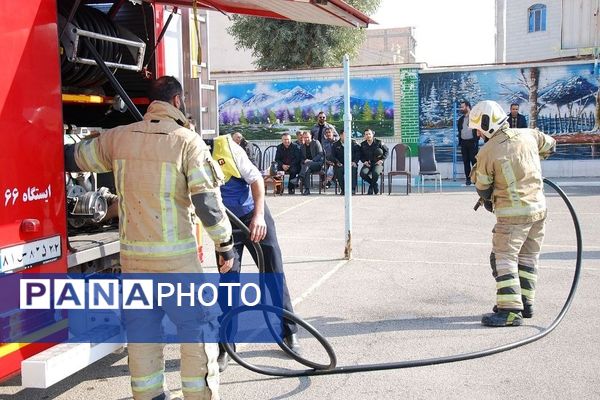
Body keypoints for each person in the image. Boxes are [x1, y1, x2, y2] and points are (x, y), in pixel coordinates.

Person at [64, 76, 234, 400]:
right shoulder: (187, 142)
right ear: (178, 102)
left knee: (143, 337)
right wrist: (225, 247)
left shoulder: (119, 139)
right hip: (177, 265)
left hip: (134, 264)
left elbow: (74, 157)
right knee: (196, 332)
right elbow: (207, 204)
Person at [210, 134, 300, 371]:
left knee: (273, 272)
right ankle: (226, 346)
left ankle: (289, 331)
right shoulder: (187, 158)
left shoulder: (228, 149)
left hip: (253, 215)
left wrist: (259, 216)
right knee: (228, 282)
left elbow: (256, 180)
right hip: (224, 226)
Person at [469, 100, 556, 327]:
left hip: (512, 216)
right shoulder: (529, 135)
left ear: (487, 124)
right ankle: (526, 303)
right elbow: (550, 146)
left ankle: (509, 310)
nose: (478, 133)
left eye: (478, 128)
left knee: (503, 258)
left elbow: (482, 184)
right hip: (538, 210)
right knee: (528, 257)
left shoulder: (488, 150)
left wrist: (488, 198)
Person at [359, 129, 389, 195]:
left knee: (375, 173)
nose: (368, 135)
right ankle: (374, 185)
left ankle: (371, 187)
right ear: (364, 136)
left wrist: (382, 160)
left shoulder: (379, 142)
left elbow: (386, 151)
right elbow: (361, 155)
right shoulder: (363, 144)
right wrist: (364, 161)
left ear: (372, 134)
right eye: (366, 134)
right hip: (368, 164)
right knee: (362, 173)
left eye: (369, 134)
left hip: (377, 163)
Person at [457, 100, 479, 186]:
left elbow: (478, 129)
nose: (461, 108)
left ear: (468, 107)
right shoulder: (461, 119)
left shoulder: (474, 118)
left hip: (472, 142)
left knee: (474, 161)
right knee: (465, 161)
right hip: (463, 143)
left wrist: (476, 139)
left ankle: (475, 179)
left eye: (463, 107)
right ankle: (468, 179)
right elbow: (460, 130)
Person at [332, 130, 360, 195]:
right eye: (345, 135)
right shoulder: (335, 144)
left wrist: (355, 162)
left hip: (351, 163)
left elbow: (358, 154)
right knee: (339, 170)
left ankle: (352, 189)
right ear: (340, 135)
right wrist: (337, 162)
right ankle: (343, 189)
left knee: (353, 169)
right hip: (340, 163)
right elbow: (332, 156)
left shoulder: (354, 143)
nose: (347, 137)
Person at [299, 131, 325, 195]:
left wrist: (311, 161)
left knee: (307, 165)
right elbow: (301, 158)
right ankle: (307, 190)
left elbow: (320, 154)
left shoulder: (316, 142)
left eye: (307, 137)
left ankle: (299, 177)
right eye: (305, 137)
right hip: (307, 166)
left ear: (311, 136)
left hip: (317, 164)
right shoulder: (302, 146)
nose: (306, 139)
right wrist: (304, 161)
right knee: (307, 170)